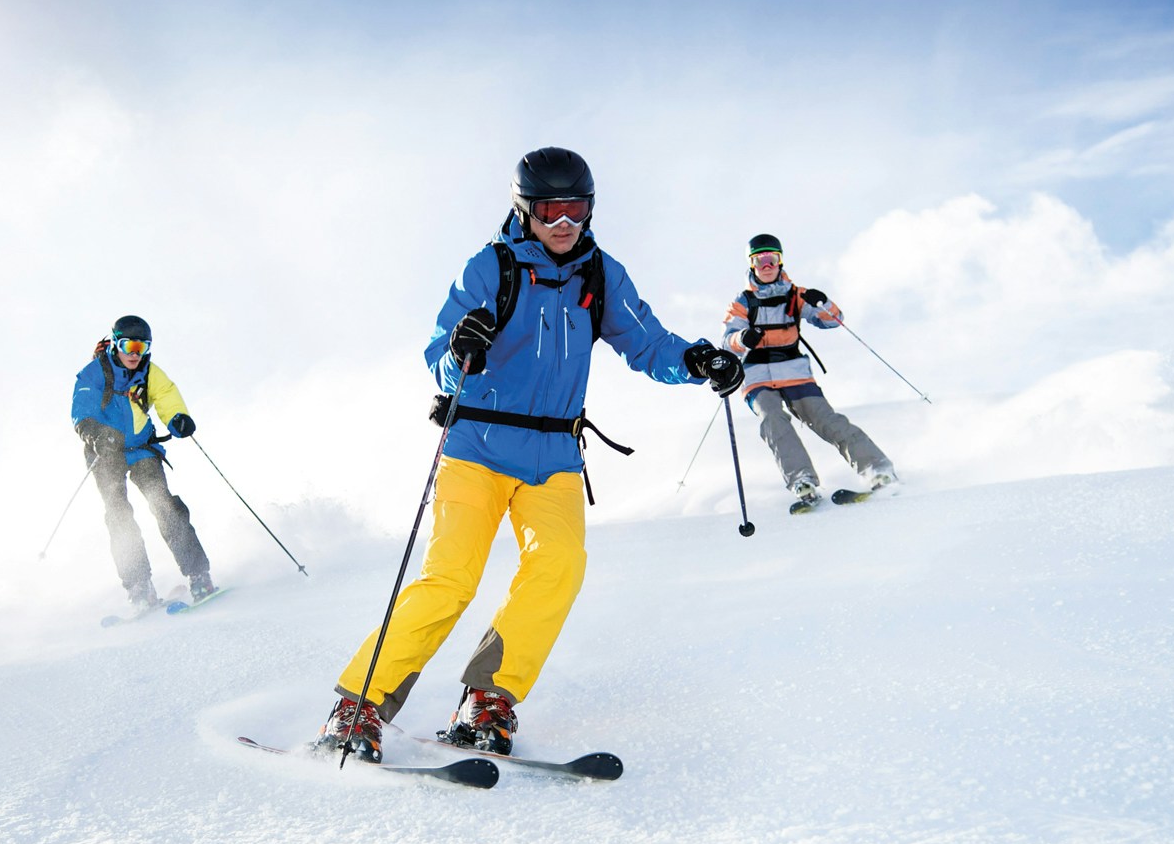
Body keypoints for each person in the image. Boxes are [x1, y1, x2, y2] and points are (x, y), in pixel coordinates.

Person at [313, 147, 744, 762]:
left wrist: (698, 361)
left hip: (555, 455)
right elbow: (440, 353)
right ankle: (358, 703)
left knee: (560, 566)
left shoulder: (601, 274)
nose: (564, 224)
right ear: (526, 209)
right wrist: (462, 345)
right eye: (550, 210)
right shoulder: (491, 267)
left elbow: (647, 343)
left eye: (576, 209)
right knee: (451, 578)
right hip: (476, 448)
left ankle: (487, 699)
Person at [722, 233, 896, 512]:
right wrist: (743, 339)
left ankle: (879, 470)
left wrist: (824, 303)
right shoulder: (742, 302)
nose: (767, 265)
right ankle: (802, 481)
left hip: (794, 371)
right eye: (760, 260)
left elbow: (833, 321)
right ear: (752, 265)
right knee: (773, 420)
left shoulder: (796, 295)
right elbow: (727, 341)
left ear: (780, 261)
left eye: (772, 258)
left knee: (826, 419)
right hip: (756, 376)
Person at [70, 315, 214, 611]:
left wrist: (178, 419)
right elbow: (81, 411)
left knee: (165, 506)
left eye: (142, 347)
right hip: (105, 452)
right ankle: (139, 586)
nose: (135, 353)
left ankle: (199, 575)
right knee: (118, 514)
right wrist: (96, 433)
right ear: (115, 344)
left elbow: (166, 396)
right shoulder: (94, 372)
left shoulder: (150, 372)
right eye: (129, 345)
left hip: (141, 449)